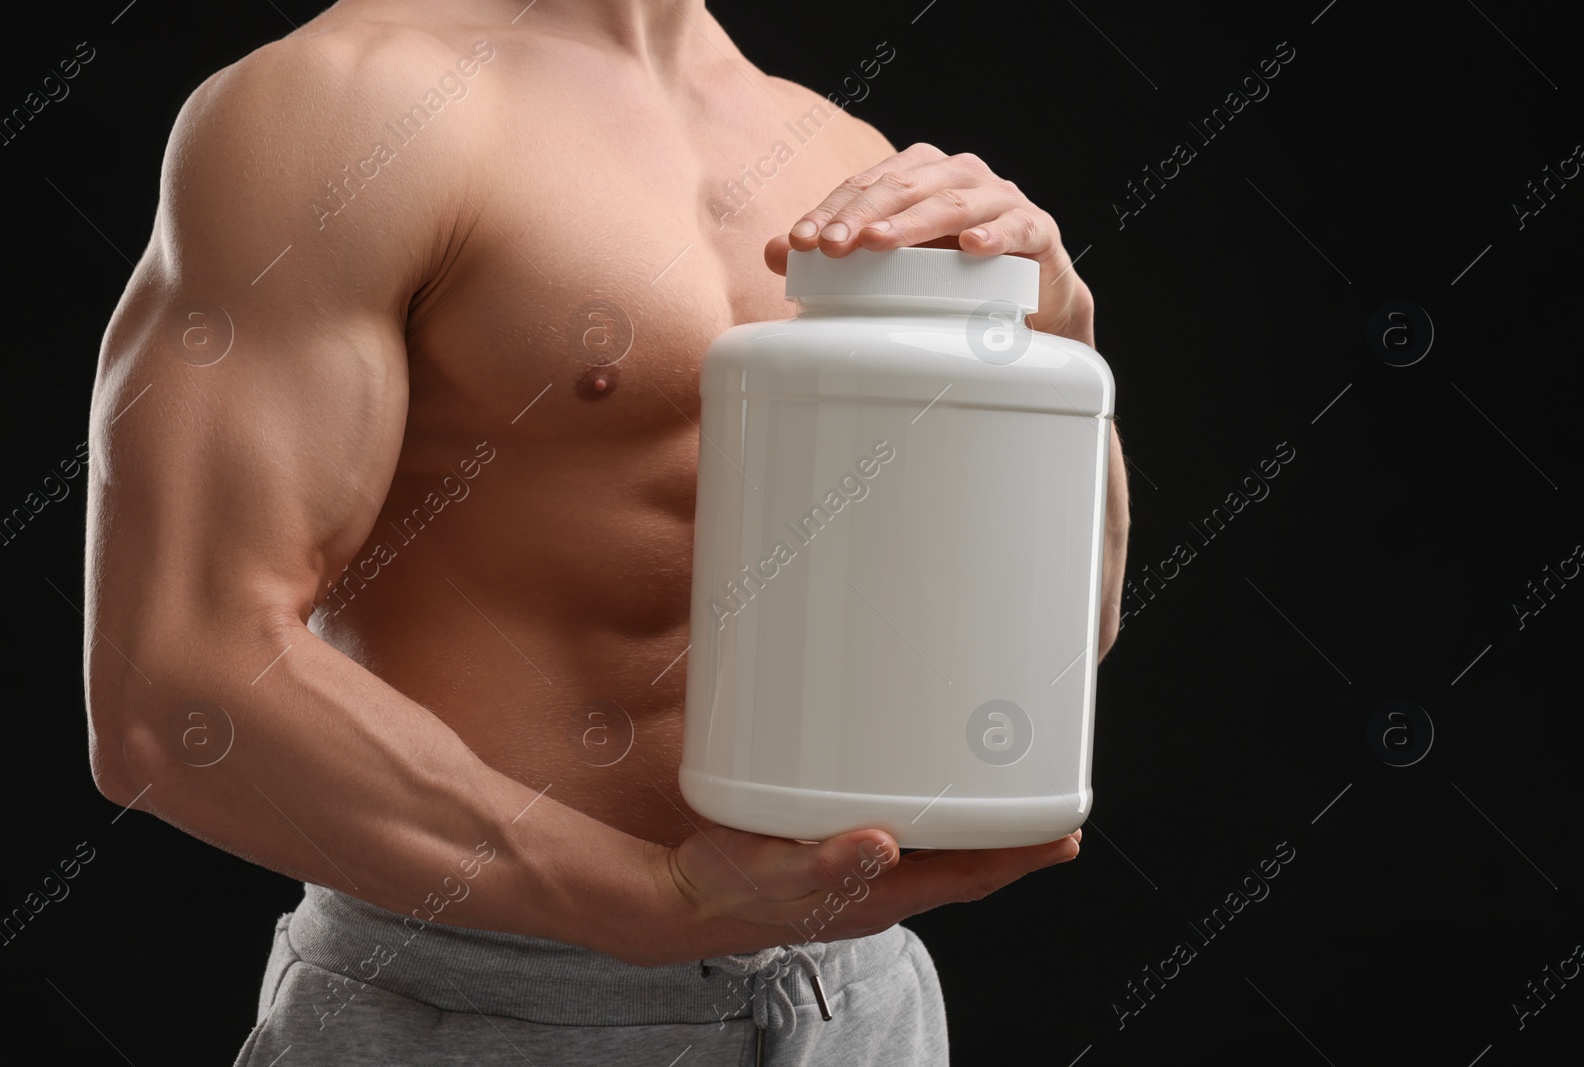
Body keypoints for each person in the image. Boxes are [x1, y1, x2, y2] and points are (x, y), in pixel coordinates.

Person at [83, 0, 1129, 1063]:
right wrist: (649, 898)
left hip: (850, 998)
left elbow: (1037, 664)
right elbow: (177, 686)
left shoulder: (838, 152)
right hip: (493, 1006)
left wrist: (1056, 330)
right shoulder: (343, 105)